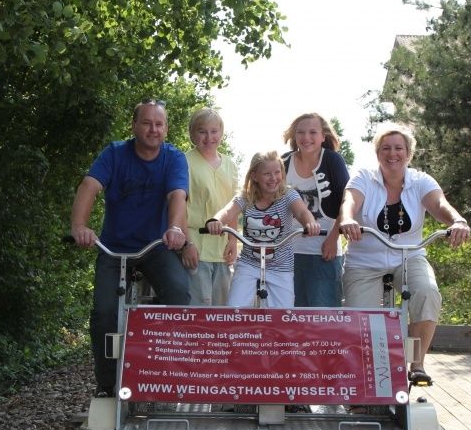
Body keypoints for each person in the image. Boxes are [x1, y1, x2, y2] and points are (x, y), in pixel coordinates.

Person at [70, 99, 191, 396]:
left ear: (166, 128)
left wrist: (175, 228)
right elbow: (89, 186)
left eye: (159, 124)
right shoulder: (115, 154)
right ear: (134, 126)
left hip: (155, 246)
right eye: (147, 123)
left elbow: (177, 196)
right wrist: (79, 227)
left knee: (179, 293)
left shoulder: (174, 158)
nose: (153, 129)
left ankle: (164, 365)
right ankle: (107, 384)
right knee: (104, 312)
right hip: (114, 247)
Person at [338, 123, 471, 384]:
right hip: (365, 259)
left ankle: (416, 362)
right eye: (386, 148)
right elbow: (349, 201)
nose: (392, 154)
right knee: (358, 315)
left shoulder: (421, 181)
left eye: (399, 148)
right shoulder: (364, 177)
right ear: (378, 153)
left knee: (427, 293)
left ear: (408, 153)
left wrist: (458, 221)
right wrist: (347, 219)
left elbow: (439, 204)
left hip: (408, 256)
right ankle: (359, 376)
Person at [206, 151, 321, 308]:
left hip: (281, 266)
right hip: (249, 263)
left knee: (283, 314)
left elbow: (301, 211)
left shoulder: (288, 195)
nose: (273, 178)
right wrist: (216, 220)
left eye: (277, 172)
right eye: (267, 174)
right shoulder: (246, 197)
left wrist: (310, 223)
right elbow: (228, 211)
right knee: (235, 307)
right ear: (254, 176)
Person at [282, 113, 350, 307]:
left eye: (313, 132)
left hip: (323, 251)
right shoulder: (283, 162)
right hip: (287, 253)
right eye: (300, 133)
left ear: (323, 136)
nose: (306, 138)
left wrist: (333, 237)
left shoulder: (333, 161)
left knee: (323, 317)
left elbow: (347, 201)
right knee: (289, 315)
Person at [183, 108, 239, 306]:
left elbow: (234, 205)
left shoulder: (230, 165)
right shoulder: (184, 162)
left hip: (222, 249)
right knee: (200, 309)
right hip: (196, 248)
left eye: (214, 131)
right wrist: (187, 244)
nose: (209, 137)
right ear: (192, 134)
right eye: (202, 131)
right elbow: (178, 206)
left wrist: (233, 240)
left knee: (221, 310)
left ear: (221, 133)